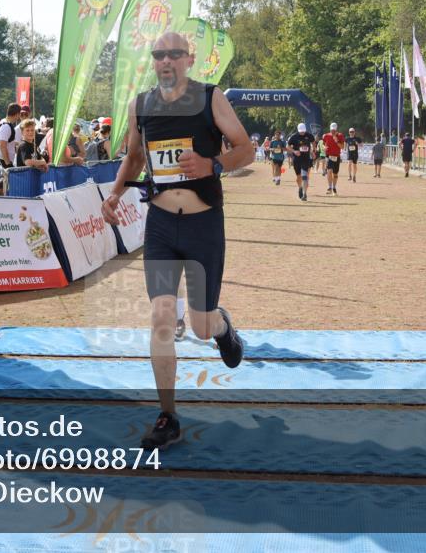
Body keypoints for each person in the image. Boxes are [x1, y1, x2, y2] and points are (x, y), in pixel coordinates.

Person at [101, 31, 252, 450]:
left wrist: (212, 163)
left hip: (204, 224)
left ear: (189, 59)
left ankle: (222, 327)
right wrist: (113, 194)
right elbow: (133, 157)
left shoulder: (210, 98)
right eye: (158, 55)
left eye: (173, 54)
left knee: (201, 327)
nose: (165, 61)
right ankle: (168, 415)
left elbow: (246, 148)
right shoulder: (141, 105)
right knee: (162, 317)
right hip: (162, 225)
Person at [287, 122, 316, 201]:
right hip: (297, 159)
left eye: (303, 131)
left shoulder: (309, 135)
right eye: (301, 131)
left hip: (305, 159)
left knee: (304, 176)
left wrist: (313, 151)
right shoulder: (294, 136)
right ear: (298, 130)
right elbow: (288, 146)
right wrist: (294, 151)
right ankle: (300, 188)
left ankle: (304, 194)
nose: (302, 132)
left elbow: (313, 142)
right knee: (298, 177)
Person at [0, 103, 22, 168]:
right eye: (20, 114)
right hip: (4, 162)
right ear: (17, 114)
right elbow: (2, 145)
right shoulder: (6, 126)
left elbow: (7, 141)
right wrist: (8, 163)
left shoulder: (4, 122)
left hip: (3, 160)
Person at [322, 122, 345, 195]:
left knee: (335, 174)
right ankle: (329, 187)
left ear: (336, 129)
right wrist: (324, 148)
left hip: (337, 156)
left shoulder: (340, 135)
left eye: (334, 130)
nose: (333, 132)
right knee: (329, 171)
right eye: (332, 130)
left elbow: (342, 147)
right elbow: (322, 145)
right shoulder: (326, 136)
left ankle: (334, 188)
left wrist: (337, 141)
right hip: (329, 156)